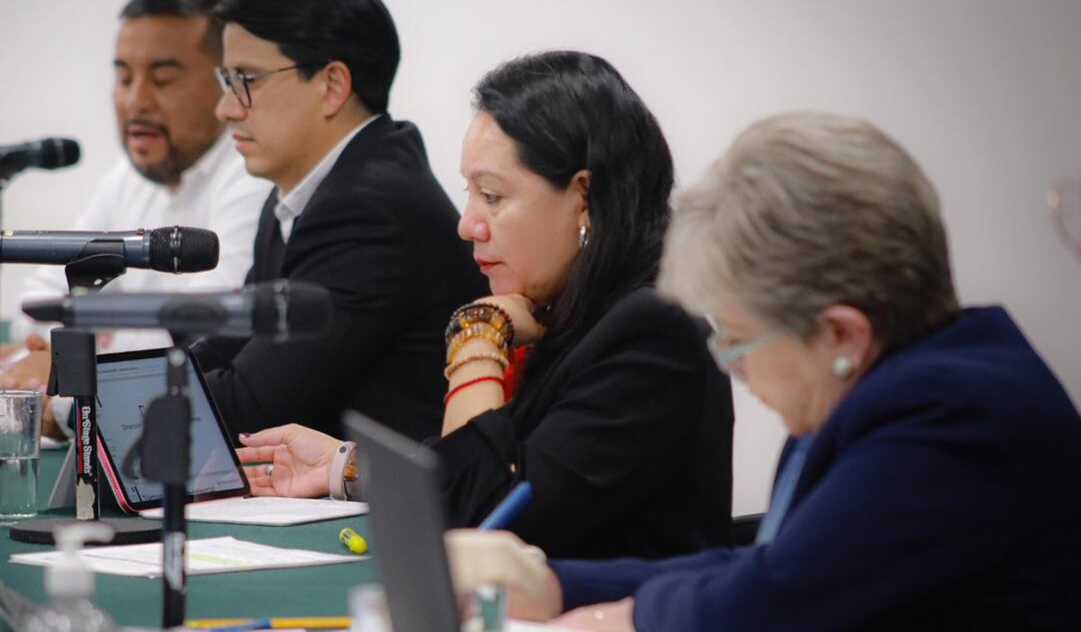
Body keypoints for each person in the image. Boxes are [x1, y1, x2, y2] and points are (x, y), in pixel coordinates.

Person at [445, 111, 1081, 630]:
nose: (734, 366)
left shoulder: (956, 418)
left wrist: (615, 619)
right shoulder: (887, 385)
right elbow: (773, 564)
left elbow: (780, 600)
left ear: (840, 333)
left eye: (742, 340)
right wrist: (554, 583)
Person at [237, 51, 735, 561]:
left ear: (583, 198)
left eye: (492, 196)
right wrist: (342, 466)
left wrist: (477, 329)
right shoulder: (559, 313)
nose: (467, 224)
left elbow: (479, 518)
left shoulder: (652, 332)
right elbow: (498, 468)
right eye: (469, 192)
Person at [191, 0, 486, 440]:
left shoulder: (370, 210)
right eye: (226, 79)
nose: (226, 108)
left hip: (394, 506)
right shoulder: (300, 194)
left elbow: (250, 406)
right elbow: (228, 348)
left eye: (246, 80)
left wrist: (83, 410)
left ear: (332, 86)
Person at [0, 0, 270, 439]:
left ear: (224, 83)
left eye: (163, 79)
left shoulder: (254, 176)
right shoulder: (125, 180)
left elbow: (199, 332)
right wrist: (61, 355)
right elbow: (39, 300)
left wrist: (74, 357)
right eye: (124, 77)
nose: (135, 101)